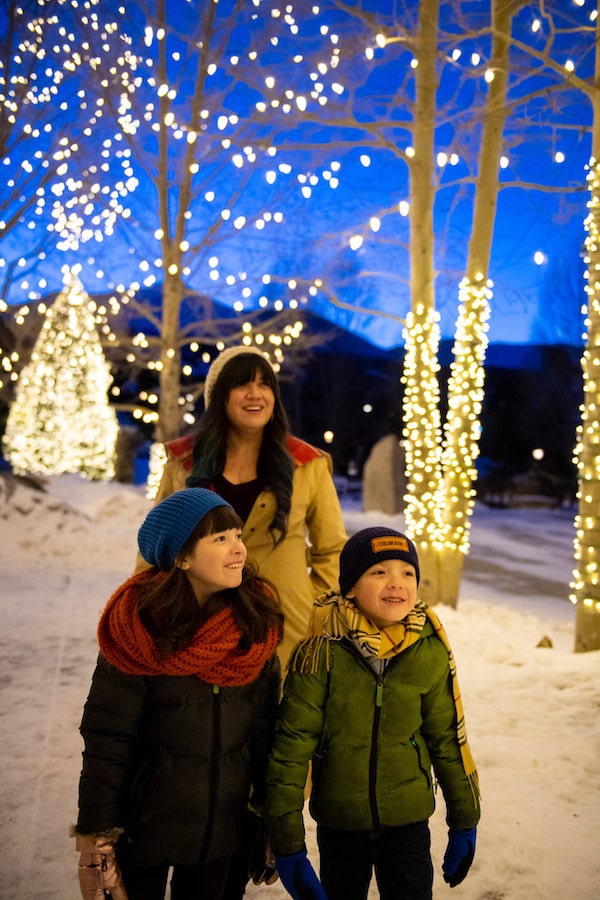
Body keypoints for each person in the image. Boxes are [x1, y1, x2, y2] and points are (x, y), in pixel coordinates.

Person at [73, 488, 283, 900]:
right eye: (219, 539)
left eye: (238, 535)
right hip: (144, 833)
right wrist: (96, 839)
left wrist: (274, 820)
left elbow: (266, 735)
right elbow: (107, 740)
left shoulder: (253, 629)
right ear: (181, 557)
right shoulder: (136, 632)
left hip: (224, 836)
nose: (238, 549)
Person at [265, 527, 481, 900]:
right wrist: (288, 844)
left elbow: (447, 738)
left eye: (407, 572)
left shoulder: (428, 649)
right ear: (350, 587)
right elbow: (290, 750)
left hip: (408, 821)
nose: (395, 582)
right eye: (379, 572)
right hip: (340, 823)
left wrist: (465, 820)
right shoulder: (321, 652)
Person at [142, 344, 348, 668]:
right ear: (220, 397)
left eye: (264, 384)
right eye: (242, 384)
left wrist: (313, 605)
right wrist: (146, 605)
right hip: (198, 623)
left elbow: (333, 549)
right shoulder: (184, 462)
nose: (256, 394)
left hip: (285, 626)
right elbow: (156, 544)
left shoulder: (307, 464)